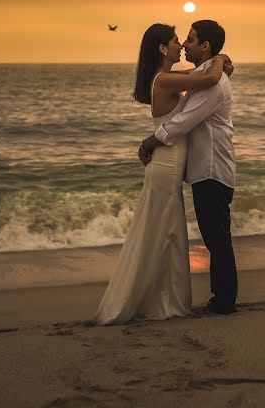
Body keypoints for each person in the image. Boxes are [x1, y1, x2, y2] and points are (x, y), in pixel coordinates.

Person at [96, 23, 231, 325]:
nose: (180, 45)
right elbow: (209, 77)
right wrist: (220, 59)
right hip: (166, 164)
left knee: (164, 230)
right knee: (164, 231)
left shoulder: (169, 77)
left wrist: (219, 61)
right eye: (174, 41)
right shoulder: (163, 79)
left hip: (169, 163)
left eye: (184, 40)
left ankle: (160, 296)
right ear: (161, 48)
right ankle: (160, 300)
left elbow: (201, 77)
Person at [139, 20, 238, 315]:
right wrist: (220, 60)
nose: (184, 45)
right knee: (213, 236)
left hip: (211, 168)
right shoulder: (201, 75)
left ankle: (224, 301)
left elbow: (183, 121)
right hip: (202, 168)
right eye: (180, 40)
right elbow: (182, 109)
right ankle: (219, 297)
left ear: (204, 46)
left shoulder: (213, 81)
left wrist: (150, 141)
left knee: (216, 238)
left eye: (191, 40)